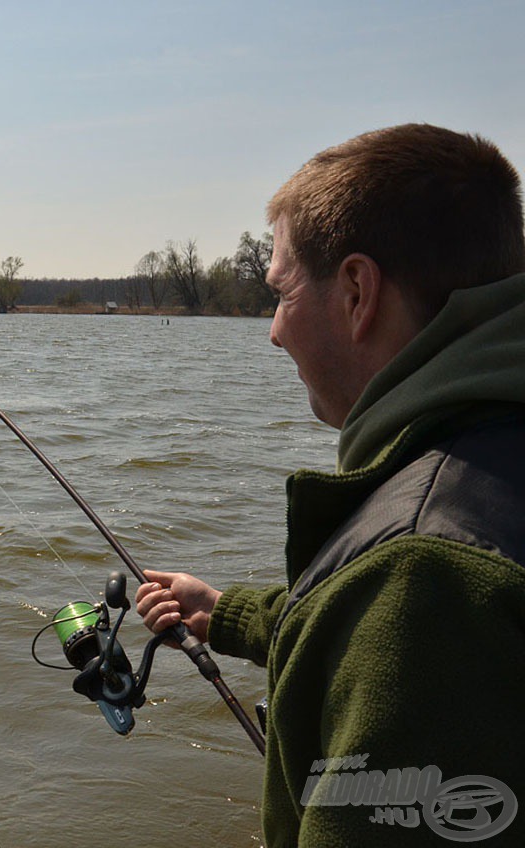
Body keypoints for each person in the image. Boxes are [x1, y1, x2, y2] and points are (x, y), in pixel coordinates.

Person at [135, 123, 525, 846]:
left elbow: (408, 603)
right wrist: (227, 615)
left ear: (356, 292)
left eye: (281, 292)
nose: (274, 331)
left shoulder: (423, 577)